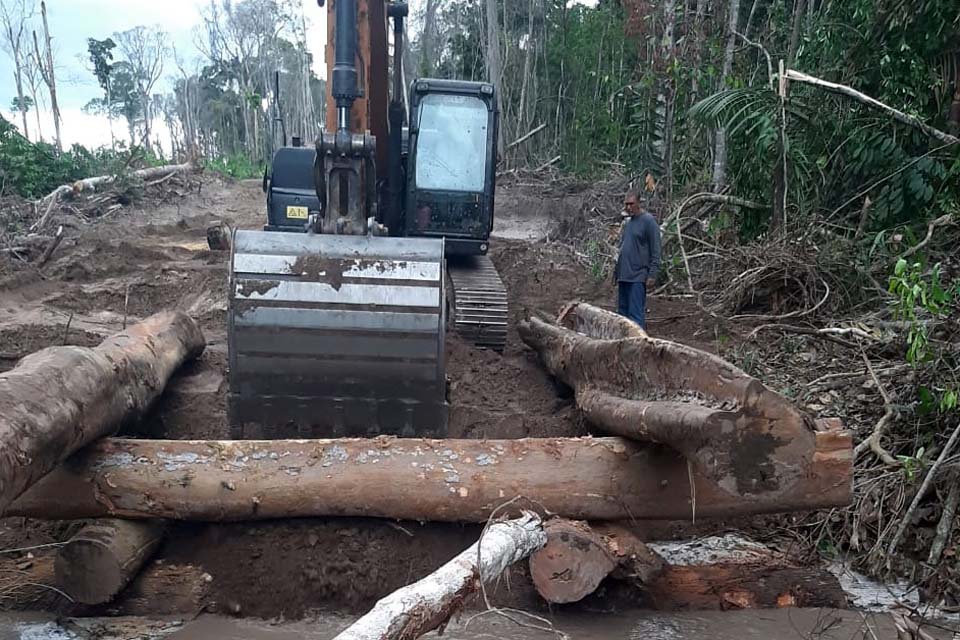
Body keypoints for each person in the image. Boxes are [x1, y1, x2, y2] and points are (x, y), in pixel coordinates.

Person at [614, 190, 661, 329]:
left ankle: (638, 345)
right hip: (624, 276)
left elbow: (656, 249)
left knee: (635, 315)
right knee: (622, 315)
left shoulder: (648, 221)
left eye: (631, 204)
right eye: (626, 204)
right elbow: (623, 248)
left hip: (637, 275)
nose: (628, 207)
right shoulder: (628, 223)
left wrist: (652, 274)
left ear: (639, 203)